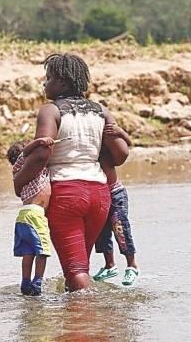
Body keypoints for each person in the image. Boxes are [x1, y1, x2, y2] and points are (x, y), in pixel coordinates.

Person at [14, 53, 129, 292]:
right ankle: (87, 322)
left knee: (76, 272)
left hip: (67, 194)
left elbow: (42, 154)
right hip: (99, 195)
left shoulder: (51, 110)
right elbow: (121, 155)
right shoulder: (101, 111)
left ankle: (81, 324)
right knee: (79, 266)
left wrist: (19, 180)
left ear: (63, 82)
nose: (44, 83)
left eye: (49, 78)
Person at [7, 137, 55, 296]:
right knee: (43, 251)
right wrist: (39, 142)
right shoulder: (20, 168)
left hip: (24, 216)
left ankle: (25, 282)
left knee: (28, 252)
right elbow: (25, 153)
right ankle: (37, 281)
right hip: (34, 215)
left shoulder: (35, 170)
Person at [93, 124, 140, 286]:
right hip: (99, 195)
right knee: (101, 231)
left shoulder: (105, 149)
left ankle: (132, 266)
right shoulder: (87, 152)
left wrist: (121, 132)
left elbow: (128, 145)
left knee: (120, 227)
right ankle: (109, 265)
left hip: (115, 193)